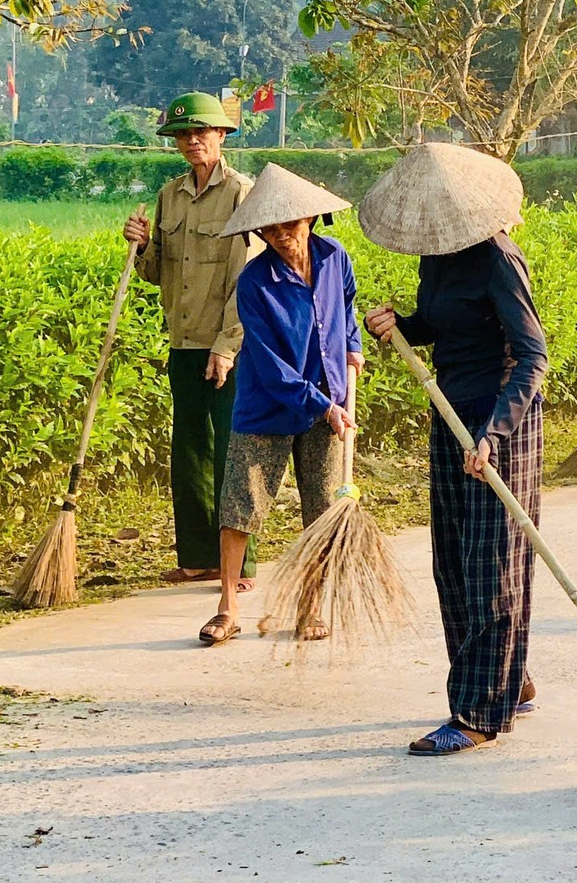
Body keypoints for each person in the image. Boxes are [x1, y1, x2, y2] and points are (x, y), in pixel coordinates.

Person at [358, 143, 546, 755]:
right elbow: (443, 326)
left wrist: (494, 435)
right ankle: (506, 679)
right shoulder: (437, 261)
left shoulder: (499, 259)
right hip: (449, 416)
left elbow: (531, 356)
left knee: (494, 565)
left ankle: (478, 714)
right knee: (455, 564)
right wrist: (401, 327)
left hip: (499, 427)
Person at [203, 165, 361, 645]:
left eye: (289, 226)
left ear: (310, 219)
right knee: (240, 505)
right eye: (269, 230)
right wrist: (321, 405)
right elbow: (270, 365)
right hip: (268, 405)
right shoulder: (255, 282)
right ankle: (228, 607)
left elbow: (347, 309)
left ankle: (312, 605)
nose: (281, 237)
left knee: (321, 509)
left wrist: (352, 346)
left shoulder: (335, 258)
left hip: (330, 399)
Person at [122, 93, 260, 588]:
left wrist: (226, 346)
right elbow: (156, 274)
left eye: (202, 131)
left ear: (222, 135)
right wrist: (138, 245)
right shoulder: (170, 195)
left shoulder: (243, 193)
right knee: (190, 453)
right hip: (182, 342)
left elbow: (246, 280)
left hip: (230, 346)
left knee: (231, 451)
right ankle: (198, 558)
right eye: (183, 133)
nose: (193, 140)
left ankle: (237, 564)